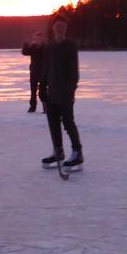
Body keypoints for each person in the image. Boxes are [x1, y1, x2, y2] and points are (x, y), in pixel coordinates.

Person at [40, 18, 83, 170]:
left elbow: (74, 72)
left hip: (65, 93)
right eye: (57, 26)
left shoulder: (70, 46)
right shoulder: (49, 47)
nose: (60, 29)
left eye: (63, 26)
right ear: (53, 28)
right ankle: (58, 152)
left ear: (66, 29)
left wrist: (70, 91)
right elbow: (46, 69)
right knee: (53, 125)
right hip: (51, 93)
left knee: (68, 123)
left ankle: (77, 153)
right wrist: (42, 89)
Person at [21, 30, 49, 112]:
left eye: (39, 38)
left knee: (43, 91)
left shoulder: (46, 47)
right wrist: (25, 45)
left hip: (44, 72)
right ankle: (32, 107)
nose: (38, 40)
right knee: (33, 92)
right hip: (34, 72)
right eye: (36, 38)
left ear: (42, 39)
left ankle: (46, 107)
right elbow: (25, 52)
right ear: (34, 39)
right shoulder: (32, 47)